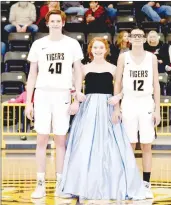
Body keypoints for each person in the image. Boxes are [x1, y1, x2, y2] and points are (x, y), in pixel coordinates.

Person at [58, 37, 147, 201]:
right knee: (84, 145)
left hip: (107, 107)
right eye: (95, 47)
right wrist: (76, 96)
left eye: (101, 48)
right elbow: (74, 87)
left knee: (110, 146)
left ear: (106, 50)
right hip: (89, 108)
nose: (98, 50)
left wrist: (117, 102)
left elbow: (124, 88)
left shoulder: (113, 68)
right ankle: (81, 184)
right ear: (90, 50)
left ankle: (112, 184)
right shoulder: (83, 69)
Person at [26, 10, 84, 199]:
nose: (56, 23)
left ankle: (61, 182)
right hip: (43, 94)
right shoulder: (38, 44)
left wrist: (76, 98)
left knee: (60, 141)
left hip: (63, 95)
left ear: (63, 22)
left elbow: (78, 72)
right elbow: (32, 75)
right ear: (47, 23)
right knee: (41, 140)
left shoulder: (72, 44)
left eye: (58, 20)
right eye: (52, 21)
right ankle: (40, 183)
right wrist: (29, 102)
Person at [113, 28, 161, 199]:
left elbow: (156, 83)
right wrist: (117, 107)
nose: (138, 39)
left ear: (145, 39)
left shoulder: (152, 58)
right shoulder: (123, 57)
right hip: (129, 102)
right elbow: (117, 82)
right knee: (130, 145)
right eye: (135, 36)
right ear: (130, 39)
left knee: (147, 145)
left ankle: (146, 184)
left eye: (141, 36)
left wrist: (158, 108)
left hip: (146, 102)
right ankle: (129, 182)